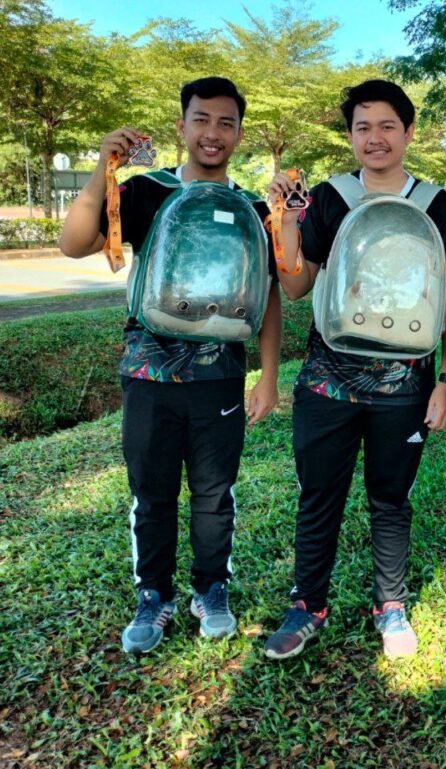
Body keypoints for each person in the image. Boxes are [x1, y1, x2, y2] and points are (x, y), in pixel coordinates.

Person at [58, 77, 282, 655]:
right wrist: (102, 168)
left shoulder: (252, 208)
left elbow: (269, 292)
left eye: (226, 123)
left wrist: (268, 376)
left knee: (214, 492)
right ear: (182, 126)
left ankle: (211, 590)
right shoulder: (146, 191)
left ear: (239, 134)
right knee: (152, 491)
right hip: (148, 375)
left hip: (220, 377)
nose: (213, 133)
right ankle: (153, 595)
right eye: (201, 120)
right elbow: (74, 243)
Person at [262, 79, 446, 660]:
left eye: (387, 126)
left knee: (390, 499)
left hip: (405, 386)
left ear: (408, 132)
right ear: (350, 135)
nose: (375, 138)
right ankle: (307, 604)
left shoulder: (436, 204)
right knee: (318, 495)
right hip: (327, 380)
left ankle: (390, 604)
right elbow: (296, 287)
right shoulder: (329, 197)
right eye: (362, 127)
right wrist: (286, 221)